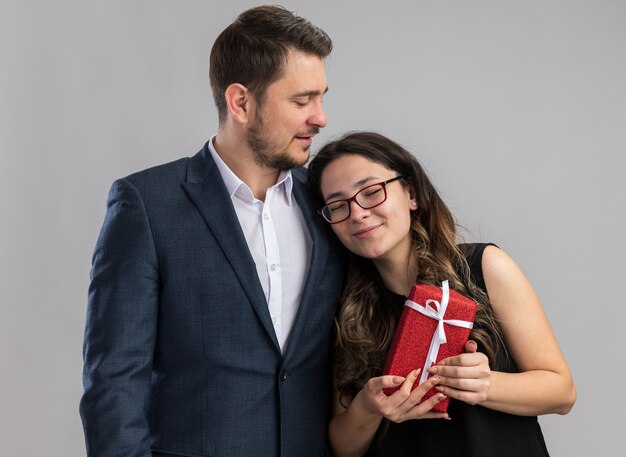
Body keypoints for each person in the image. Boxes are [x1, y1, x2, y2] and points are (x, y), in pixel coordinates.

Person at [80, 6, 346, 457]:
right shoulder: (146, 204)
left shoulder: (327, 202)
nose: (320, 118)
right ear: (241, 102)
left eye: (321, 97)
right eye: (302, 101)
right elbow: (114, 382)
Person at [307, 131, 576, 457]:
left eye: (371, 192)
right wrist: (367, 407)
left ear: (412, 194)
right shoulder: (344, 310)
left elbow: (562, 392)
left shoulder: (484, 266)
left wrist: (485, 384)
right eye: (337, 205)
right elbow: (343, 449)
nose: (358, 213)